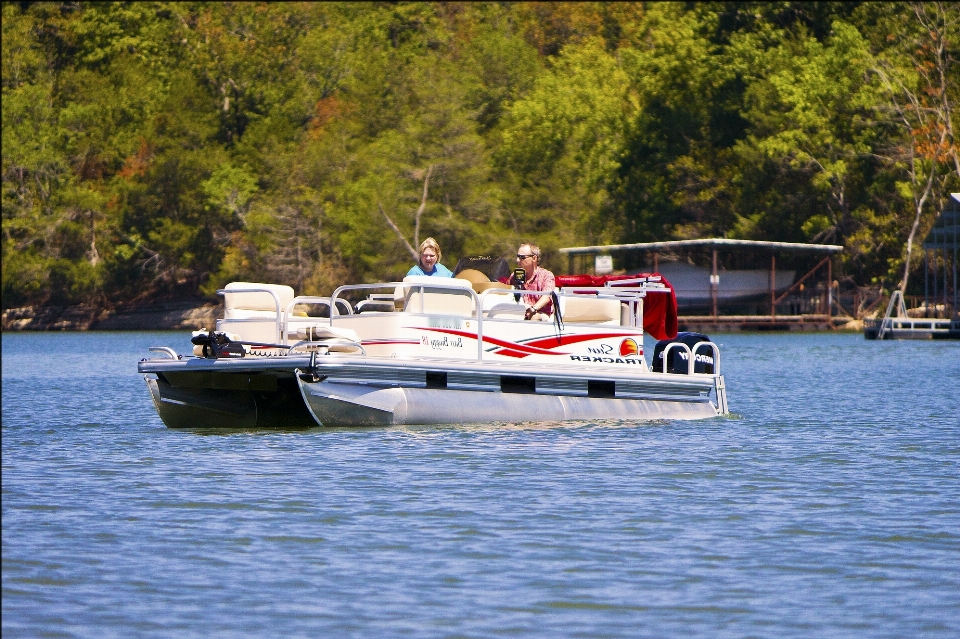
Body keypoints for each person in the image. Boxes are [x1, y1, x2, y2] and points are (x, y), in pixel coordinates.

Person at [513, 242, 555, 320]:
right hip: (520, 312)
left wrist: (533, 309)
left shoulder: (547, 275)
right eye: (517, 257)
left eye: (522, 257)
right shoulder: (516, 275)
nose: (517, 260)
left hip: (540, 313)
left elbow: (547, 297)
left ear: (534, 258)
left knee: (533, 317)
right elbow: (504, 289)